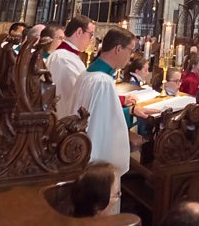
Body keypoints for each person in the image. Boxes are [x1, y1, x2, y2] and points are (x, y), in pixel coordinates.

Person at [69, 26, 137, 214]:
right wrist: (132, 114)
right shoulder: (102, 81)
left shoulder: (89, 74)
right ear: (118, 49)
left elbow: (101, 112)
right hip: (98, 172)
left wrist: (128, 110)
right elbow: (107, 126)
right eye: (130, 50)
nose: (130, 57)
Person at [50, 15, 95, 118]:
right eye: (90, 35)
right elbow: (80, 94)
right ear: (79, 32)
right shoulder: (65, 59)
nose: (91, 40)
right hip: (63, 121)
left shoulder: (64, 56)